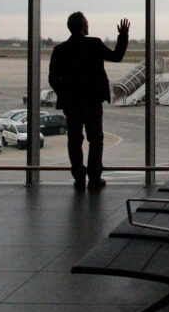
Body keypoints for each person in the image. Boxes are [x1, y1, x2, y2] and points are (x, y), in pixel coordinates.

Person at [48, 12, 130, 190]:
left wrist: (65, 94)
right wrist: (123, 36)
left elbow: (53, 79)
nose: (88, 25)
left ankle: (79, 177)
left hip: (72, 104)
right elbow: (117, 56)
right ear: (82, 27)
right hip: (92, 101)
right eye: (86, 23)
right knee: (96, 139)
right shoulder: (94, 44)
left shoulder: (60, 50)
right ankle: (94, 178)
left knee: (74, 140)